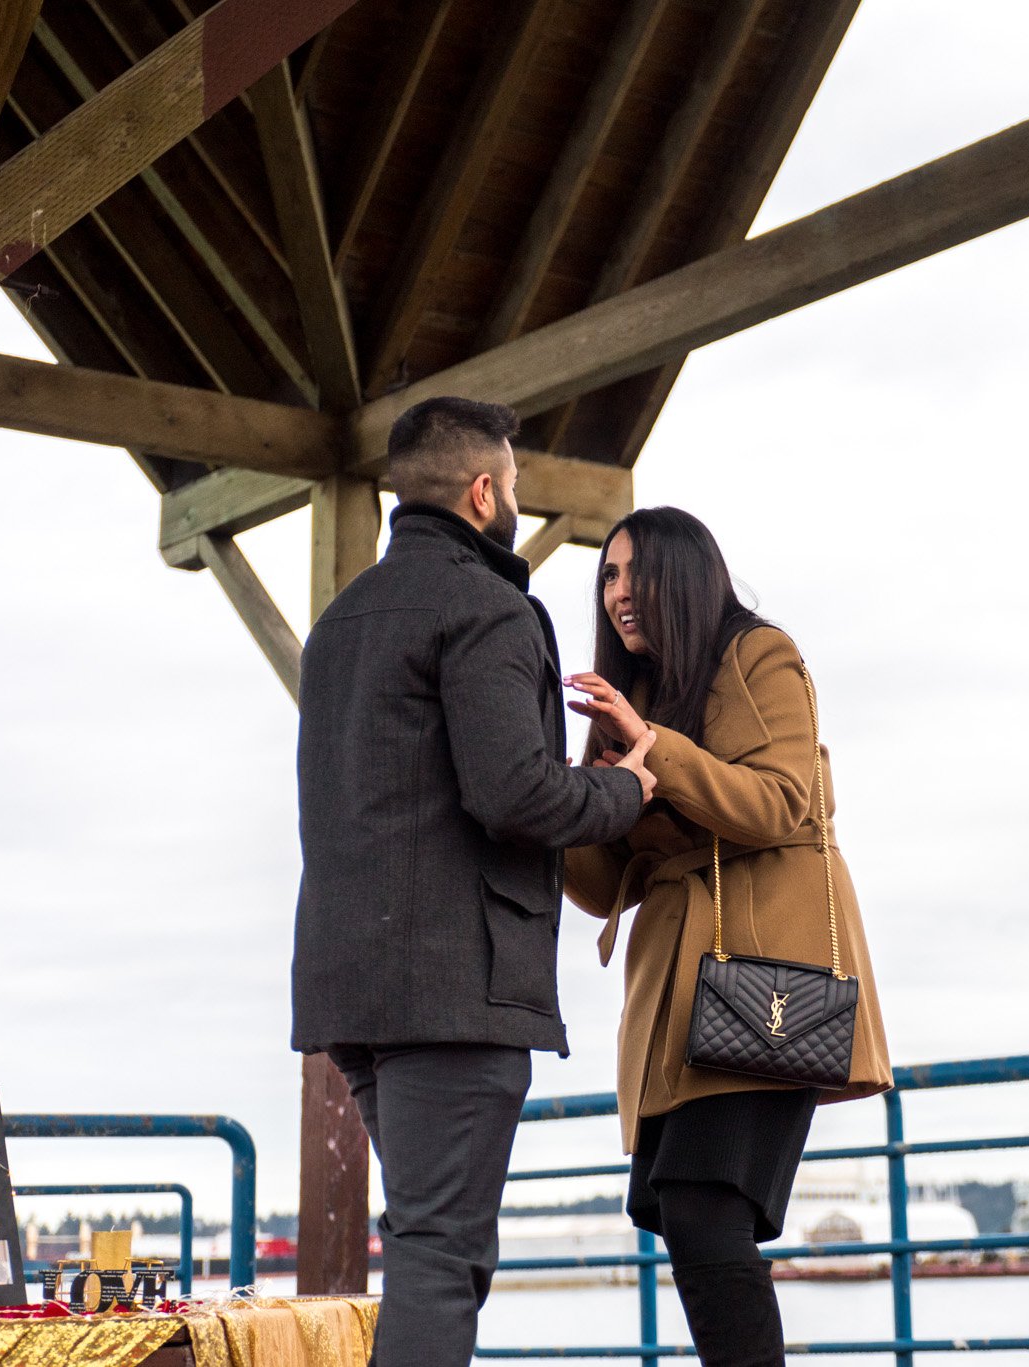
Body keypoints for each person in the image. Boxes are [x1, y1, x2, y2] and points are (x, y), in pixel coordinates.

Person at [291, 396, 657, 1367]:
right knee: (442, 1251)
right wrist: (623, 789)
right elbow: (515, 793)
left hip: (349, 987)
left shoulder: (340, 621)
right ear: (483, 489)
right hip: (453, 985)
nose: (516, 501)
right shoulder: (489, 605)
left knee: (431, 1238)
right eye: (516, 484)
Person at [564, 507, 893, 1367]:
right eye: (607, 575)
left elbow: (784, 801)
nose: (619, 592)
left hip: (764, 975)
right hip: (678, 989)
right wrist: (574, 803)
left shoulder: (758, 653)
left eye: (635, 571)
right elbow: (603, 890)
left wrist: (654, 748)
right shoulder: (629, 704)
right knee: (678, 1208)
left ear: (684, 573)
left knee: (704, 1205)